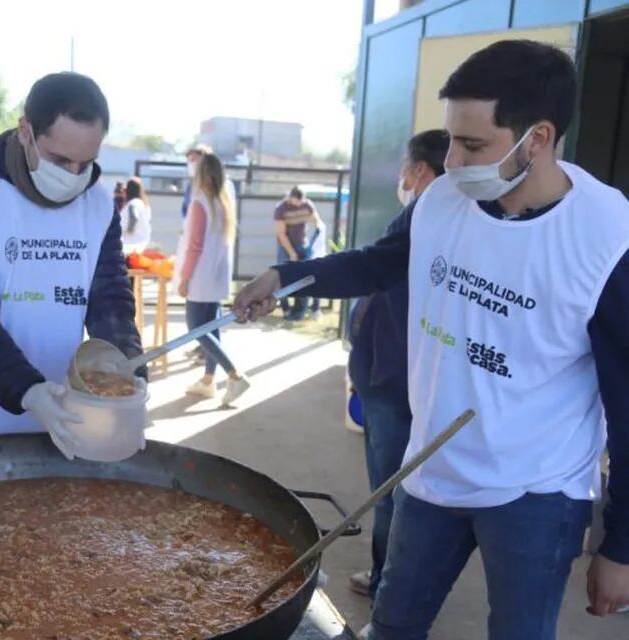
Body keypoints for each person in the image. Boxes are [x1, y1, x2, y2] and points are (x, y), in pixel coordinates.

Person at [233, 40, 629, 638]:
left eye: (473, 146)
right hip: (431, 468)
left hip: (537, 492)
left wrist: (620, 546)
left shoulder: (606, 237)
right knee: (392, 627)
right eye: (450, 141)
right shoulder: (444, 200)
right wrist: (285, 278)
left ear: (538, 139)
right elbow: (380, 262)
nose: (450, 163)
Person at [0, 72, 144, 449]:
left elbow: (109, 299)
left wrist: (129, 368)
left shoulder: (97, 204)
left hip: (71, 415)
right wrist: (27, 391)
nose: (74, 176)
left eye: (86, 162)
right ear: (25, 131)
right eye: (60, 159)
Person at [347, 129, 450, 602]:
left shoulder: (429, 224)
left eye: (405, 168)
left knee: (391, 489)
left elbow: (371, 278)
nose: (401, 178)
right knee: (410, 488)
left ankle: (387, 581)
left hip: (393, 382)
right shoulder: (429, 221)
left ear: (420, 172)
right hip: (398, 379)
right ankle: (402, 579)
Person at [177, 152, 250, 406]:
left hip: (200, 277)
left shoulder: (200, 202)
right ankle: (208, 381)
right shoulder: (224, 202)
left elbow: (194, 246)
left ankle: (235, 375)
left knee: (197, 330)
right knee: (211, 327)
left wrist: (185, 278)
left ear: (201, 174)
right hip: (218, 275)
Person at [273, 185, 319, 320]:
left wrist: (317, 235)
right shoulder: (281, 209)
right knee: (283, 276)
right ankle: (285, 309)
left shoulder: (307, 205)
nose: (299, 204)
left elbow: (317, 222)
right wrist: (291, 253)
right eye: (296, 201)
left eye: (301, 201)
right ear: (291, 198)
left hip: (302, 245)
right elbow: (281, 234)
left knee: (304, 278)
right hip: (285, 246)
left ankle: (300, 311)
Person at [120, 177, 152, 254]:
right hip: (141, 243)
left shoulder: (133, 203)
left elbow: (134, 217)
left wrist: (129, 229)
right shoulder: (144, 205)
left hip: (131, 244)